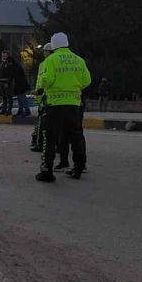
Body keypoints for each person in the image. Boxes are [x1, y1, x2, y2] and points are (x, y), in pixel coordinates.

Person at [36, 32, 91, 182]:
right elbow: (87, 80)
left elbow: (47, 79)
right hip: (74, 104)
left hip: (55, 104)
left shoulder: (51, 60)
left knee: (50, 137)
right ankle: (78, 167)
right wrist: (74, 87)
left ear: (53, 45)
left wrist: (41, 88)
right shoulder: (78, 60)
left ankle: (47, 171)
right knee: (76, 136)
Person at [30, 43, 52, 152]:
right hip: (41, 96)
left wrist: (40, 92)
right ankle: (36, 140)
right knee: (40, 122)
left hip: (46, 97)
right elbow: (40, 80)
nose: (44, 53)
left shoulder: (51, 63)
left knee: (42, 123)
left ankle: (39, 143)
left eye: (45, 51)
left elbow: (47, 80)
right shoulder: (42, 64)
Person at [9, 52, 31, 116]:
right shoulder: (16, 65)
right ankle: (21, 110)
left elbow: (15, 76)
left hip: (20, 85)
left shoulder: (15, 67)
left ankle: (26, 110)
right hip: (20, 84)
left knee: (22, 98)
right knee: (20, 98)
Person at [0, 50, 14, 115]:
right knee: (4, 97)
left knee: (9, 97)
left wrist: (8, 82)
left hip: (6, 82)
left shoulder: (9, 63)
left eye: (5, 55)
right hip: (1, 82)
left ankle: (9, 110)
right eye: (2, 55)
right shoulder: (2, 63)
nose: (3, 56)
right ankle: (4, 110)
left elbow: (11, 74)